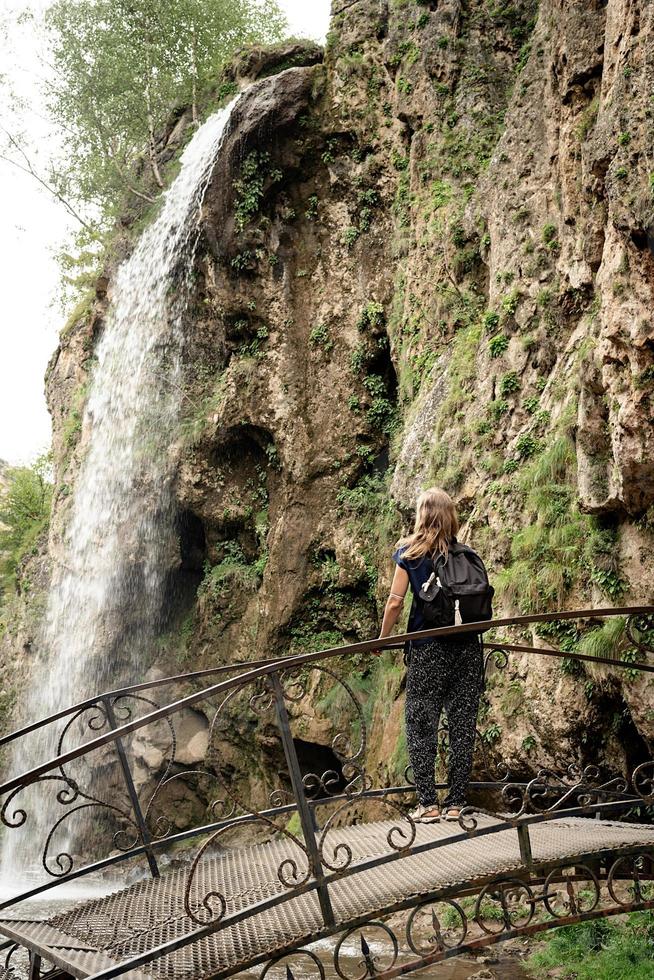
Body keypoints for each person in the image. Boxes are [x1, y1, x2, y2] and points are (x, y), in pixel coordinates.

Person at [373, 487, 484, 823]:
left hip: (428, 651)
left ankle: (428, 804)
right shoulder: (466, 554)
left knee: (421, 724)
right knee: (462, 726)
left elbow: (395, 602)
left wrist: (381, 639)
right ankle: (455, 803)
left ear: (422, 515)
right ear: (450, 516)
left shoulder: (410, 554)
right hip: (467, 649)